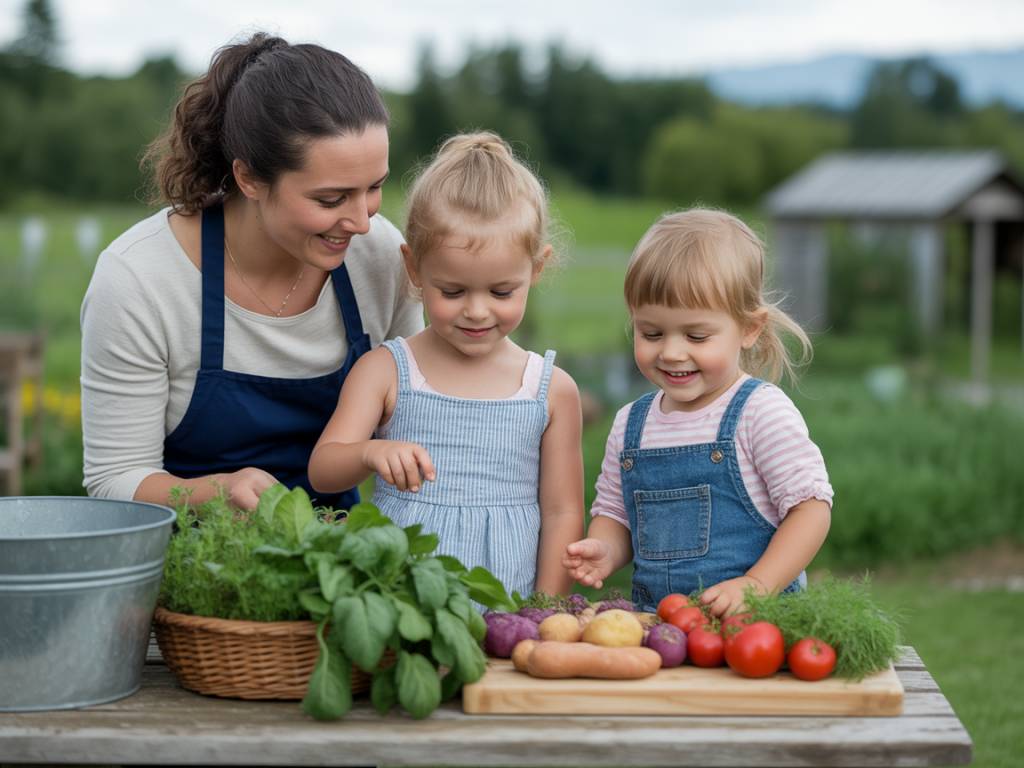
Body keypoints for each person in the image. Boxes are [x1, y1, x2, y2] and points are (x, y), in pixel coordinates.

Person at [80, 33, 423, 511]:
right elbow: (114, 477)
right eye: (331, 199)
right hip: (190, 548)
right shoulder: (139, 278)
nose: (361, 222)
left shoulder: (380, 255)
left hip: (336, 547)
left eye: (374, 188)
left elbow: (421, 416)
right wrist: (217, 493)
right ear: (249, 179)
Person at [308, 132, 583, 598]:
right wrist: (369, 453)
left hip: (509, 608)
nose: (476, 311)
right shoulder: (386, 371)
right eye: (452, 291)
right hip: (402, 604)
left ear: (536, 269)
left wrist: (543, 611)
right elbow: (323, 469)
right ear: (414, 268)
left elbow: (563, 513)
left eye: (501, 292)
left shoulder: (550, 390)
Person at [562, 209, 833, 617]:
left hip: (755, 627)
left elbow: (810, 510)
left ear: (749, 328)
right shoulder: (631, 425)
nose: (672, 352)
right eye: (651, 333)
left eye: (696, 335)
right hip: (663, 629)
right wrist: (605, 548)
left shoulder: (759, 412)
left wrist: (757, 585)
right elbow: (615, 515)